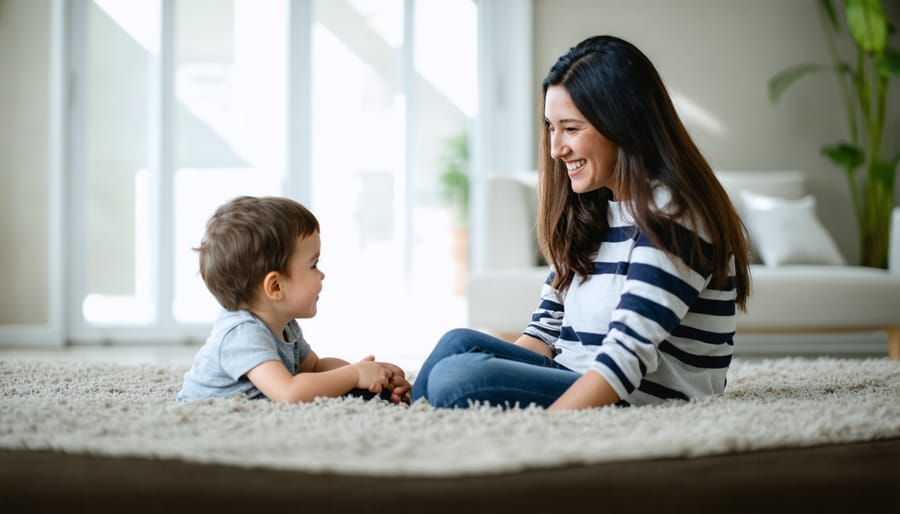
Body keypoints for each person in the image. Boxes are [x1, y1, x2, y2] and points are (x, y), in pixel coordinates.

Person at [411, 35, 751, 410]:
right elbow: (544, 332)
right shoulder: (593, 208)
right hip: (572, 373)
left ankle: (423, 404)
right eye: (551, 128)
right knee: (457, 345)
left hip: (629, 393)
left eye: (571, 129)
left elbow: (625, 358)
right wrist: (508, 373)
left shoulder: (673, 213)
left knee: (457, 376)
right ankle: (406, 408)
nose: (556, 149)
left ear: (623, 124)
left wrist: (554, 425)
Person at [176, 196, 411, 404]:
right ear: (276, 286)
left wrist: (369, 372)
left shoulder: (285, 324)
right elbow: (289, 393)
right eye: (314, 264)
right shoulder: (242, 335)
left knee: (365, 394)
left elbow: (315, 368)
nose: (322, 274)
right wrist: (354, 375)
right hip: (211, 417)